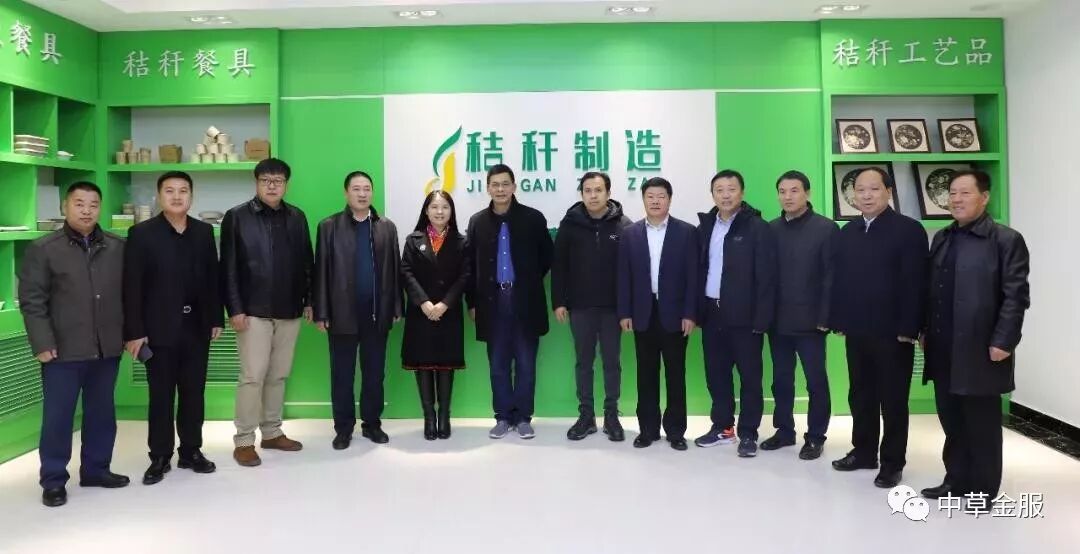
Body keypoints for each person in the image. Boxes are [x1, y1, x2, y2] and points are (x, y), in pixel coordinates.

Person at [919, 170, 1030, 501]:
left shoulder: (1005, 240)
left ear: (985, 197)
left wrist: (1004, 340)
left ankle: (983, 488)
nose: (956, 199)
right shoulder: (942, 237)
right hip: (943, 345)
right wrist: (924, 330)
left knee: (981, 423)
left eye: (965, 193)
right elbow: (932, 291)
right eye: (952, 193)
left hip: (982, 346)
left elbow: (1016, 296)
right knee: (951, 419)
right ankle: (956, 479)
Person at [20, 182, 129, 507]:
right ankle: (54, 480)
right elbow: (32, 301)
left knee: (102, 414)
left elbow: (129, 295)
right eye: (79, 203)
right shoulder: (44, 248)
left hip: (106, 348)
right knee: (58, 418)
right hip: (61, 351)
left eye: (93, 204)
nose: (86, 210)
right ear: (64, 207)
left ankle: (96, 470)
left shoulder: (117, 246)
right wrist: (41, 342)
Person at [123, 171, 223, 485]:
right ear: (159, 196)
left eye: (183, 191)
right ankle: (160, 456)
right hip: (158, 330)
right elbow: (132, 286)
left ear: (191, 196)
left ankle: (191, 451)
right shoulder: (141, 234)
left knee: (194, 394)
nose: (177, 196)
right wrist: (134, 331)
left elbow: (213, 278)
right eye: (169, 191)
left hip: (196, 328)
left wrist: (216, 318)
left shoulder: (203, 232)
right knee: (161, 396)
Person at [830, 167, 927, 489]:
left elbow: (917, 283)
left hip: (894, 333)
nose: (867, 195)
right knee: (860, 395)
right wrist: (839, 319)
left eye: (874, 189)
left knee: (893, 400)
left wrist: (911, 327)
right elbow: (841, 281)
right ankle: (863, 452)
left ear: (889, 191)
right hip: (857, 330)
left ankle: (892, 463)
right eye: (860, 190)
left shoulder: (909, 230)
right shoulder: (848, 231)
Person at [221, 158, 314, 466]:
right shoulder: (237, 217)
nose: (272, 186)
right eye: (266, 180)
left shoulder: (297, 217)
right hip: (252, 311)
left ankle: (272, 432)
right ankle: (244, 440)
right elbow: (228, 267)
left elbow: (307, 262)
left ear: (286, 184)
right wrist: (235, 308)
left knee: (278, 375)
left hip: (290, 308)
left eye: (278, 181)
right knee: (252, 377)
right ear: (256, 183)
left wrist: (309, 300)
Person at [314, 171, 401, 449]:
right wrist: (321, 311)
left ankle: (372, 424)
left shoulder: (386, 227)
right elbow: (321, 272)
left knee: (374, 374)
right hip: (341, 314)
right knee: (342, 374)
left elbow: (394, 271)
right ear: (346, 193)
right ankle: (343, 428)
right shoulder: (329, 226)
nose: (362, 194)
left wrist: (396, 306)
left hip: (377, 313)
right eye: (356, 189)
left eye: (367, 189)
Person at [465, 164, 553, 440]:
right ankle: (502, 416)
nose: (500, 189)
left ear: (514, 187)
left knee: (526, 365)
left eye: (505, 184)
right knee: (498, 365)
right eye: (495, 184)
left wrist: (527, 282)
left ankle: (524, 417)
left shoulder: (533, 218)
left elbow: (546, 258)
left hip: (525, 301)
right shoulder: (477, 222)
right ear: (488, 188)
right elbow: (470, 267)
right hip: (492, 304)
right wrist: (472, 303)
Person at [693, 170, 776, 458]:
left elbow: (767, 277)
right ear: (712, 194)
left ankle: (749, 432)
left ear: (742, 192)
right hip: (711, 313)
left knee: (750, 377)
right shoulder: (706, 227)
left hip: (746, 316)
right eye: (719, 190)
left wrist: (762, 318)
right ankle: (723, 427)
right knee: (716, 374)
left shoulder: (757, 227)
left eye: (731, 189)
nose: (725, 195)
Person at [617, 177, 699, 451]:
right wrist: (625, 312)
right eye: (650, 196)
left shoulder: (686, 232)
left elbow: (693, 277)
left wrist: (690, 313)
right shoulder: (630, 233)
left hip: (675, 315)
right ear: (643, 199)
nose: (655, 201)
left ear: (669, 199)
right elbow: (623, 276)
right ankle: (648, 430)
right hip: (643, 313)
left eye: (661, 196)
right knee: (646, 374)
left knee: (676, 374)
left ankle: (676, 431)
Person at [552, 172, 632, 442]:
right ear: (582, 194)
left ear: (608, 193)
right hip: (580, 307)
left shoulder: (623, 225)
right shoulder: (570, 224)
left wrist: (627, 308)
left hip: (613, 309)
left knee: (612, 363)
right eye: (588, 190)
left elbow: (631, 269)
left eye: (598, 190)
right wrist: (559, 301)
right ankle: (586, 416)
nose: (593, 195)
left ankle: (611, 415)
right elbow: (559, 265)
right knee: (584, 362)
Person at [764, 170, 838, 460]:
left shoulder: (826, 228)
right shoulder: (770, 229)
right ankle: (784, 431)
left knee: (815, 382)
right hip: (777, 321)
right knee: (781, 381)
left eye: (794, 190)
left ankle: (816, 436)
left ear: (807, 193)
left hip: (812, 323)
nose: (788, 197)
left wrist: (826, 318)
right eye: (782, 191)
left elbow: (832, 277)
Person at [400, 190, 469, 440]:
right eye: (434, 207)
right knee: (423, 365)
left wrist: (445, 304)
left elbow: (465, 275)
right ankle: (429, 417)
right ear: (426, 211)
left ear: (451, 211)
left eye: (445, 207)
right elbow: (406, 272)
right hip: (421, 313)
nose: (440, 212)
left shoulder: (462, 241)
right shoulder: (413, 240)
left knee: (445, 365)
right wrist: (424, 302)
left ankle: (445, 417)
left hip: (448, 313)